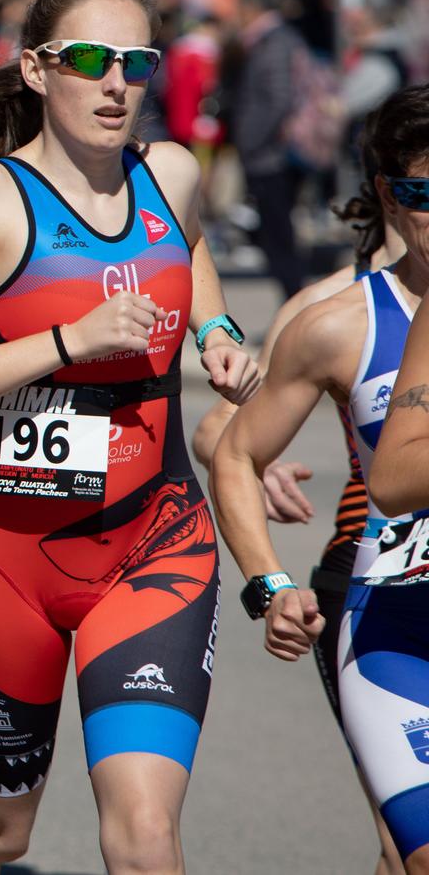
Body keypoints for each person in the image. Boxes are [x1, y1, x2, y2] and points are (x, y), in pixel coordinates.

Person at [0, 0, 259, 875]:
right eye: (90, 57)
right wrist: (68, 339)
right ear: (39, 69)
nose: (116, 80)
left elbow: (189, 249)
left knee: (144, 831)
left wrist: (214, 327)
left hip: (150, 538)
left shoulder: (167, 171)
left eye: (137, 60)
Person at [211, 87, 429, 875]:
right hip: (387, 608)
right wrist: (268, 587)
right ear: (386, 195)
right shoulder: (338, 319)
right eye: (419, 194)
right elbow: (229, 444)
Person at [228, 0, 314, 299]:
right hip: (269, 152)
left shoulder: (275, 42)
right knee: (276, 234)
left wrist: (249, 139)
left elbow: (277, 100)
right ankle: (292, 301)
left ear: (252, 8)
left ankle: (295, 304)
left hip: (273, 155)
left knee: (279, 236)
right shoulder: (268, 41)